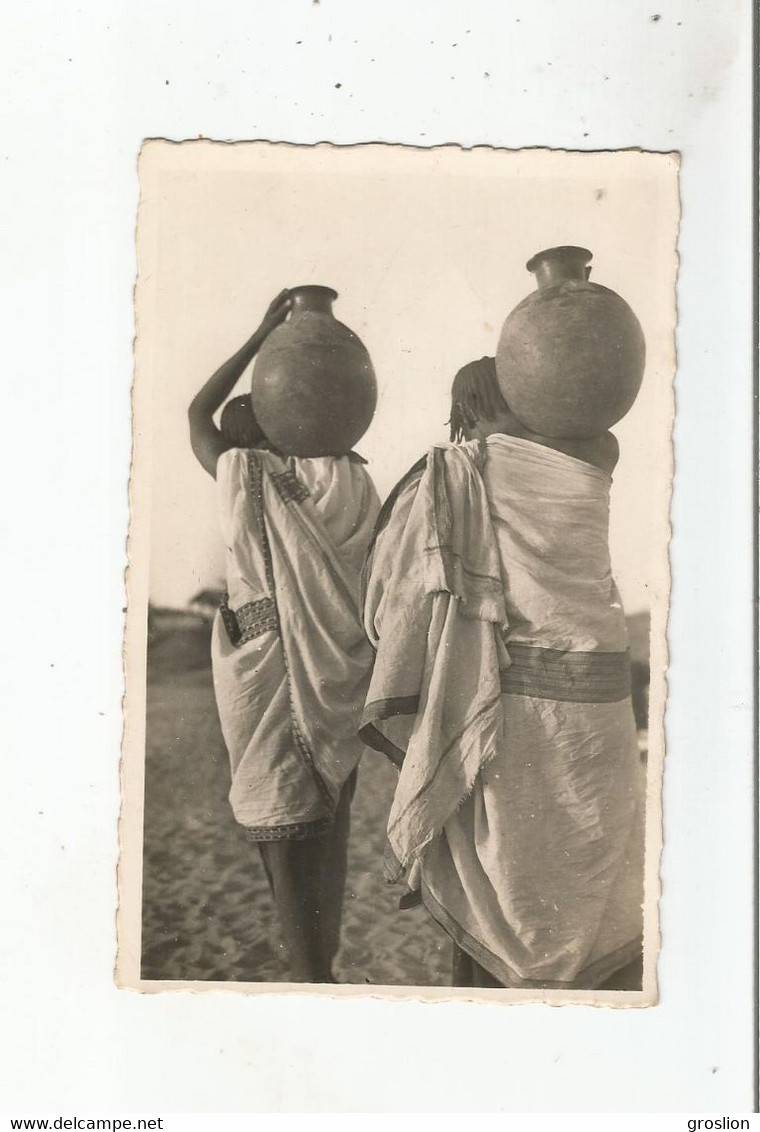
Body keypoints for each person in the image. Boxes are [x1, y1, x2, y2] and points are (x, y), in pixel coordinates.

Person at [360, 356, 644, 990]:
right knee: (601, 888)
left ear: (463, 413)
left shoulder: (457, 472)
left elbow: (390, 608)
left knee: (488, 881)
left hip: (505, 717)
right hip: (598, 719)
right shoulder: (594, 456)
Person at [188, 290, 380, 982]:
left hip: (265, 678)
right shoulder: (352, 482)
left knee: (283, 841)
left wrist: (260, 329)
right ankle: (316, 968)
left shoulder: (243, 476)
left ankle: (309, 975)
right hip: (337, 683)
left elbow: (196, 414)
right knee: (324, 835)